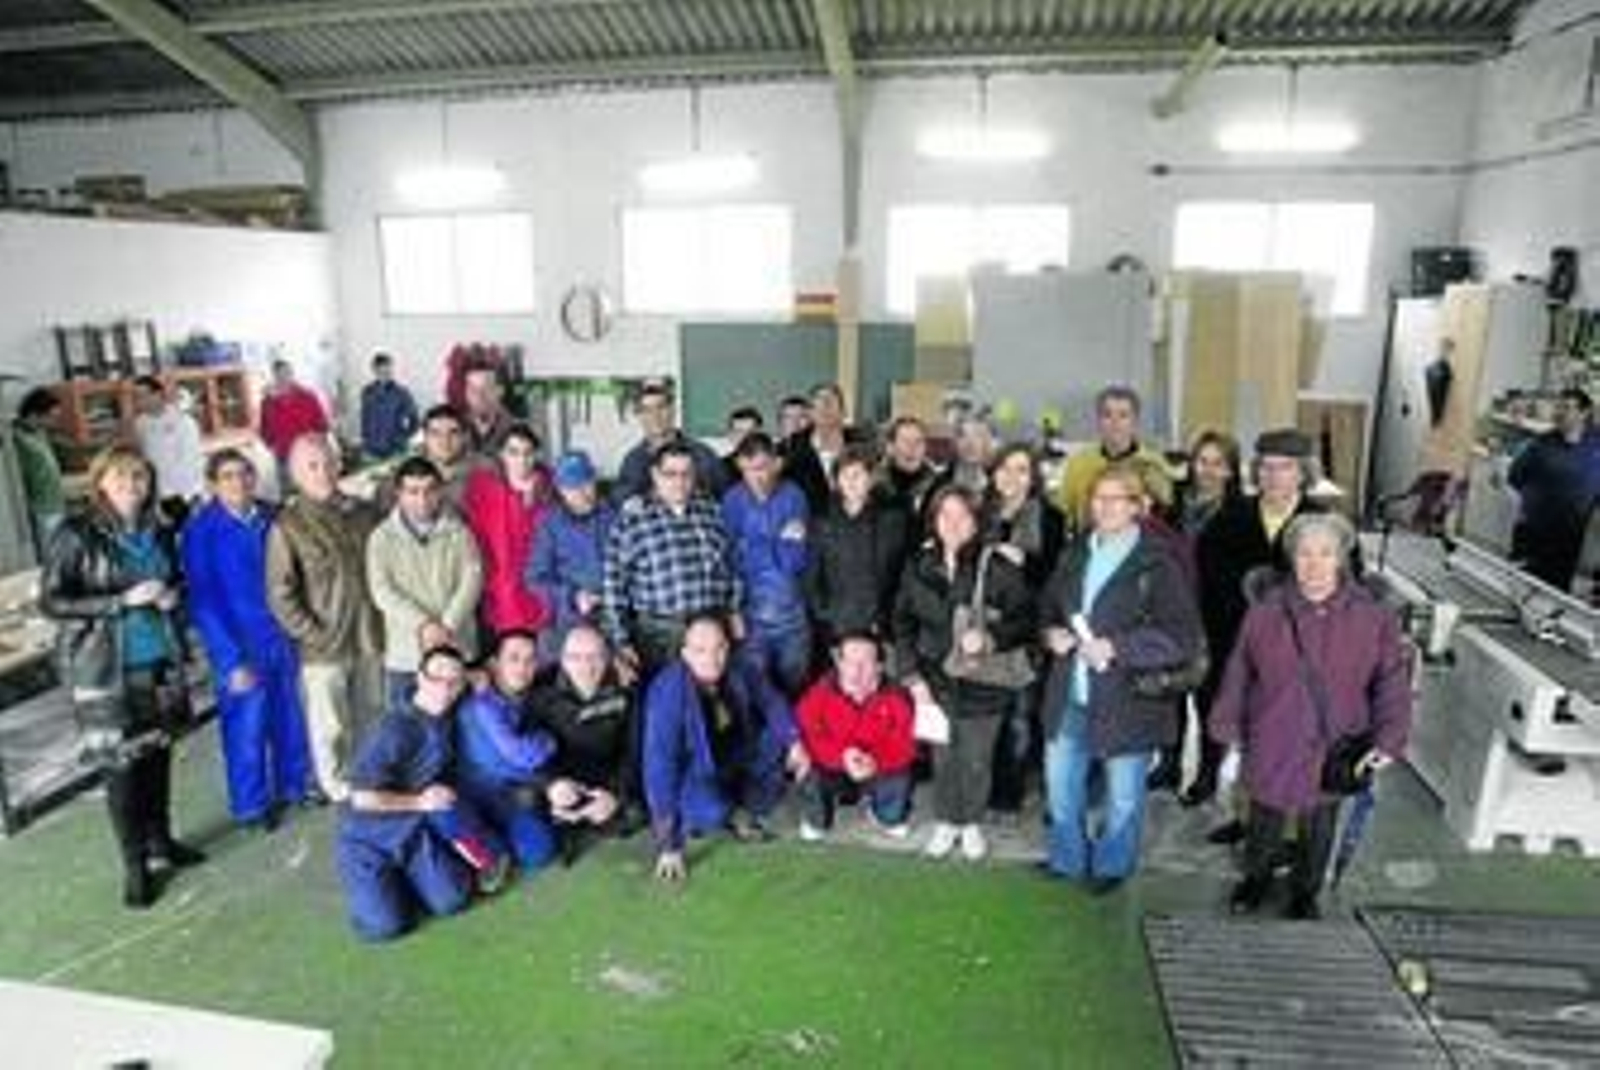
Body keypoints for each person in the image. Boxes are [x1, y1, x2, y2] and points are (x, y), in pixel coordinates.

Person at [1209, 512, 1412, 920]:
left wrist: (1389, 739)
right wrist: (1228, 725)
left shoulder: (1372, 617)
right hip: (1272, 731)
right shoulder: (1266, 612)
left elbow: (1391, 681)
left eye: (1325, 553)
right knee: (1264, 813)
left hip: (1335, 739)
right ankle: (1257, 879)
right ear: (1291, 559)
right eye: (1304, 554)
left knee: (1320, 820)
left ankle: (1306, 891)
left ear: (1341, 558)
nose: (1314, 565)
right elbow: (1239, 671)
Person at [41, 445, 205, 908]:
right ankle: (134, 865)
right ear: (101, 483)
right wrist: (120, 602)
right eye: (120, 478)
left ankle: (161, 841)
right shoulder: (76, 533)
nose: (131, 486)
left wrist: (173, 595)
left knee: (157, 757)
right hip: (105, 670)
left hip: (159, 660)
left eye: (139, 477)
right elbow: (52, 601)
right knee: (122, 770)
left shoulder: (158, 530)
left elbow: (176, 580)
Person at [1037, 465, 1203, 893]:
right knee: (1060, 784)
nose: (1106, 507)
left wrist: (1118, 648)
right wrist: (1050, 633)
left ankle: (1112, 865)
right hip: (1071, 691)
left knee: (1124, 794)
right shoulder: (1075, 552)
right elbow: (1049, 608)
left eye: (1118, 498)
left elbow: (1181, 637)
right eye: (1099, 498)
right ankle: (1067, 858)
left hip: (1128, 697)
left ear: (1138, 507)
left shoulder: (1157, 562)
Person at [1191, 427, 1329, 813]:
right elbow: (1209, 573)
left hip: (1293, 652)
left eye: (1284, 467)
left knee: (1273, 733)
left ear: (1303, 472)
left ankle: (1260, 812)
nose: (1273, 476)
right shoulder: (1232, 515)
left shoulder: (1320, 521)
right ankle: (1211, 778)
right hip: (1232, 639)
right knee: (1220, 712)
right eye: (1266, 467)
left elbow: (1341, 587)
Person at [894, 486, 1034, 862]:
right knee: (943, 755)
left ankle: (970, 821)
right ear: (933, 520)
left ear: (977, 521)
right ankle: (946, 820)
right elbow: (902, 622)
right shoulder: (918, 564)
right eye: (944, 515)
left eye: (962, 516)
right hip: (933, 681)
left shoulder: (998, 567)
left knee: (975, 758)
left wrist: (990, 638)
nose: (953, 524)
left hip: (984, 683)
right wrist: (912, 678)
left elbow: (1026, 621)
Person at [336, 644, 506, 942]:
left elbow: (477, 678)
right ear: (420, 677)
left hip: (412, 828)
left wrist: (480, 680)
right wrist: (420, 801)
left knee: (453, 900)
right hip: (368, 835)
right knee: (385, 927)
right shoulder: (393, 728)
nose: (445, 688)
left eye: (454, 681)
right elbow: (362, 798)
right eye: (437, 678)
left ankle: (412, 879)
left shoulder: (447, 709)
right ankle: (380, 884)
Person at [182, 449, 311, 831]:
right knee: (245, 727)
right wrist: (229, 660)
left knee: (289, 717)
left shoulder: (273, 517)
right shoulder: (201, 531)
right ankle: (251, 805)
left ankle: (294, 785)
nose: (238, 482)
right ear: (212, 484)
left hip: (281, 635)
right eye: (227, 476)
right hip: (239, 643)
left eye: (244, 474)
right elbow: (204, 601)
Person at [642, 615, 806, 883]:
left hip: (735, 751)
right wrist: (669, 845)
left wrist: (794, 741)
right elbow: (659, 768)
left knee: (775, 749)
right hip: (695, 770)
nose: (712, 658)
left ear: (728, 647)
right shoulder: (667, 692)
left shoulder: (741, 666)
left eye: (719, 648)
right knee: (711, 809)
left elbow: (771, 700)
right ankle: (716, 814)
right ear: (685, 653)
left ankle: (744, 807)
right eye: (700, 650)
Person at [266, 433, 383, 804]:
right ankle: (339, 789)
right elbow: (280, 594)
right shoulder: (288, 526)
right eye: (312, 466)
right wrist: (314, 633)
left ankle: (372, 779)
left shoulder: (363, 513)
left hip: (369, 635)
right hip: (324, 645)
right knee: (331, 726)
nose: (323, 472)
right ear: (295, 474)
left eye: (328, 462)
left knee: (372, 715)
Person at [1148, 429, 1242, 796]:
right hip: (1171, 617)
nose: (1208, 470)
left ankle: (1206, 774)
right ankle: (1169, 766)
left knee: (1210, 702)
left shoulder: (1240, 514)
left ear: (1231, 471)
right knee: (1169, 698)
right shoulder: (1171, 507)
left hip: (1217, 621)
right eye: (1203, 461)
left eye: (1218, 463)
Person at [602, 441, 741, 683]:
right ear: (655, 474)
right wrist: (620, 641)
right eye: (671, 474)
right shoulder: (632, 519)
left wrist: (734, 609)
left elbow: (732, 564)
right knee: (664, 703)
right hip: (659, 636)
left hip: (710, 630)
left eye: (687, 473)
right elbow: (614, 585)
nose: (680, 481)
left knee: (710, 703)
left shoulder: (712, 510)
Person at [982, 444, 1063, 819]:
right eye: (1005, 468)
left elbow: (1056, 578)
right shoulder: (981, 512)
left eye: (1022, 470)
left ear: (1033, 479)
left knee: (1019, 714)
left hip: (1027, 629)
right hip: (982, 626)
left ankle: (1009, 791)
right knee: (986, 710)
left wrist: (1025, 562)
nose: (1012, 478)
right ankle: (985, 780)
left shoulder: (1050, 517)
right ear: (993, 472)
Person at [367, 456, 484, 712]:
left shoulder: (460, 532)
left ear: (440, 491)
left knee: (460, 735)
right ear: (398, 493)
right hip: (407, 656)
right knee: (408, 735)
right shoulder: (380, 538)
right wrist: (425, 625)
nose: (422, 499)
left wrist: (446, 627)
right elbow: (382, 591)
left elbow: (472, 580)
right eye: (413, 491)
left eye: (430, 490)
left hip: (457, 649)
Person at [453, 630, 561, 873]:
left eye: (530, 659)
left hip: (507, 796)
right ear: (494, 663)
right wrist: (549, 741)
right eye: (514, 658)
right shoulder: (478, 704)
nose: (523, 667)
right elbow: (519, 758)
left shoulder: (527, 697)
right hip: (472, 797)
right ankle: (489, 848)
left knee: (540, 852)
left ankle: (496, 841)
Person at [793, 632, 916, 841]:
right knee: (805, 763)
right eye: (850, 662)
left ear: (879, 666)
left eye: (866, 663)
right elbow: (808, 733)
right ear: (838, 663)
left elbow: (907, 743)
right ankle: (817, 818)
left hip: (877, 767)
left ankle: (881, 811)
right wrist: (842, 755)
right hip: (834, 765)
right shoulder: (819, 692)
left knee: (898, 793)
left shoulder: (898, 696)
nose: (857, 671)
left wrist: (876, 760)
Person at [526, 624, 640, 844]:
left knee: (635, 814)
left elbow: (634, 749)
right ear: (563, 659)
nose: (585, 666)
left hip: (607, 777)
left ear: (608, 657)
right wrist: (551, 784)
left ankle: (594, 817)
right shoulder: (540, 691)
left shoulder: (627, 687)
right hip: (565, 782)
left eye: (594, 657)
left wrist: (616, 793)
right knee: (532, 812)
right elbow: (531, 750)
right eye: (575, 657)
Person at [722, 432, 812, 696]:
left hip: (793, 616)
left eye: (762, 467)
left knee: (794, 689)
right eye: (749, 470)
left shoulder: (794, 496)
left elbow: (794, 561)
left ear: (776, 463)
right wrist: (776, 543)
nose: (757, 477)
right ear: (739, 466)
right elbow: (729, 561)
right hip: (750, 618)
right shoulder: (732, 500)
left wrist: (750, 546)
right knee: (752, 692)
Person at [806, 446, 910, 650]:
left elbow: (903, 572)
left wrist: (892, 614)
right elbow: (812, 575)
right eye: (845, 475)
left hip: (881, 626)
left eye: (858, 474)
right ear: (836, 481)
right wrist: (825, 612)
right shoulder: (822, 522)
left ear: (871, 479)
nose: (851, 481)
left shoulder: (893, 520)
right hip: (837, 626)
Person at [461, 423, 551, 639]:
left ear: (536, 455)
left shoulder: (550, 490)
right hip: (498, 596)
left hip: (540, 596)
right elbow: (474, 540)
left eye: (528, 453)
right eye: (514, 452)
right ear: (502, 454)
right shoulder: (483, 490)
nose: (521, 460)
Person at [1508, 387, 1600, 591]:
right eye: (1558, 407)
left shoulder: (1595, 444)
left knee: (1557, 592)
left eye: (1567, 407)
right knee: (1525, 589)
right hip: (1534, 534)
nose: (1559, 412)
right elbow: (1514, 478)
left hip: (1570, 538)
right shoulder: (1540, 445)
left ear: (1584, 413)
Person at [528, 450, 615, 661]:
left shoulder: (613, 515)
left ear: (595, 480)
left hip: (613, 620)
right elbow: (535, 578)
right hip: (570, 622)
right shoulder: (550, 524)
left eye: (586, 483)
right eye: (572, 487)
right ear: (560, 489)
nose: (582, 493)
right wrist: (573, 597)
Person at [1053, 386, 1172, 528]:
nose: (1115, 422)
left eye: (1123, 415)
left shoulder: (1154, 464)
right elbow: (1064, 513)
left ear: (1135, 421)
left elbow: (1165, 514)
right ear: (1098, 420)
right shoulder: (1078, 463)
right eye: (1107, 415)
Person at [613, 381, 725, 503]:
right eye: (646, 410)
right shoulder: (633, 461)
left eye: (661, 407)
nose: (655, 415)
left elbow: (724, 498)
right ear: (639, 416)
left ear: (672, 410)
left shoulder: (703, 454)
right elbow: (621, 502)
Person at [131, 375, 203, 523]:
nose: (139, 401)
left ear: (158, 394)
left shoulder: (183, 421)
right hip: (155, 494)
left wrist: (187, 498)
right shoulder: (140, 424)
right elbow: (143, 458)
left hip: (181, 495)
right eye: (136, 397)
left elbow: (190, 462)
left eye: (143, 395)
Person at [782, 383, 858, 514]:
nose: (824, 409)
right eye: (817, 404)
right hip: (808, 524)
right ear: (810, 413)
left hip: (853, 524)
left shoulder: (859, 444)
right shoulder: (792, 447)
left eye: (829, 403)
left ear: (843, 411)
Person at [13, 386, 67, 559]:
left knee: (61, 552)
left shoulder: (40, 434)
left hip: (55, 504)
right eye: (51, 417)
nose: (54, 422)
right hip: (40, 510)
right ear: (35, 414)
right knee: (51, 556)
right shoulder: (16, 437)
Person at [258, 359, 330, 468]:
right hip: (284, 455)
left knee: (312, 483)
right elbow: (265, 429)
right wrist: (273, 446)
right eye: (279, 375)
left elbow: (322, 424)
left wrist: (319, 440)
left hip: (308, 453)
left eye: (286, 373)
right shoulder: (268, 402)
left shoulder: (307, 397)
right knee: (288, 484)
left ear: (291, 374)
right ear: (274, 377)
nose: (284, 378)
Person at [876, 416, 942, 522]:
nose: (912, 448)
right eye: (905, 441)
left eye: (918, 441)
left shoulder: (938, 486)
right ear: (890, 448)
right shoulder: (874, 486)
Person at [359, 351, 418, 460]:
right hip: (371, 450)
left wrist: (403, 438)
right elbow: (364, 419)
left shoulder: (401, 393)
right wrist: (365, 441)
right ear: (374, 370)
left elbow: (414, 419)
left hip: (395, 449)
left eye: (387, 368)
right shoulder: (367, 392)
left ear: (391, 368)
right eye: (380, 369)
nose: (384, 372)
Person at [461, 360, 514, 457]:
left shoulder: (516, 429)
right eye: (473, 389)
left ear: (500, 391)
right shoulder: (456, 427)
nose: (479, 396)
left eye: (486, 388)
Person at [722, 405, 765, 488]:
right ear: (730, 435)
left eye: (750, 432)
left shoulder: (774, 467)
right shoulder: (720, 467)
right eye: (739, 432)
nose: (745, 437)